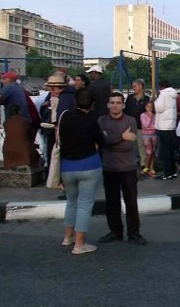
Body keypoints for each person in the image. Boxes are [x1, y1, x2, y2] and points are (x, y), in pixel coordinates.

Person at [98, 92, 147, 245]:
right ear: (108, 105)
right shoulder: (101, 120)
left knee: (131, 202)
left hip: (127, 168)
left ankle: (134, 233)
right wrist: (120, 137)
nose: (115, 105)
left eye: (118, 102)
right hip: (109, 168)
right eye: (112, 102)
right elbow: (102, 142)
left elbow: (129, 145)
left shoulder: (131, 120)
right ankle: (115, 231)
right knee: (111, 203)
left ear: (123, 105)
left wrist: (111, 140)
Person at [59, 88, 104, 255]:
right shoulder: (92, 120)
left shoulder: (65, 116)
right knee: (84, 205)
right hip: (89, 165)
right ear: (92, 104)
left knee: (71, 202)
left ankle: (67, 237)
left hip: (67, 166)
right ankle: (79, 244)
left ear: (75, 101)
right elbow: (101, 141)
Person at [124, 79, 151, 171]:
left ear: (141, 86)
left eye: (135, 86)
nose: (133, 88)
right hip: (130, 125)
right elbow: (126, 110)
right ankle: (132, 161)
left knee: (140, 144)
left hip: (141, 126)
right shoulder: (130, 98)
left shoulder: (146, 99)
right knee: (131, 144)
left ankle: (143, 162)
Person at [154, 80, 179, 180]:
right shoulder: (173, 95)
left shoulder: (163, 94)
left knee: (165, 152)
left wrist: (155, 100)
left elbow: (159, 108)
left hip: (163, 126)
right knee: (171, 151)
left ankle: (167, 172)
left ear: (161, 86)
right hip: (171, 126)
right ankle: (173, 171)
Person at [140, 100, 157, 177]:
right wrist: (149, 118)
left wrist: (149, 127)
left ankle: (151, 167)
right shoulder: (142, 115)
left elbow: (155, 126)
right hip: (146, 135)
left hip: (154, 135)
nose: (149, 109)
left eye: (151, 107)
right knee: (148, 152)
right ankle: (146, 167)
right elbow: (145, 125)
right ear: (145, 107)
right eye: (148, 107)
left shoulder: (155, 115)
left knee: (153, 152)